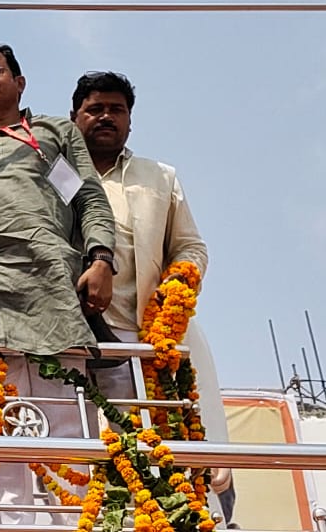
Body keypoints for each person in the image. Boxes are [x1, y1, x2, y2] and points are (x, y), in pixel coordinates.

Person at [0, 40, 115, 524]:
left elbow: (87, 199)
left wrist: (101, 260)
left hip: (53, 293)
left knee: (69, 444)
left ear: (19, 82)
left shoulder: (51, 133)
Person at [70, 71, 234, 519]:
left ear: (130, 120)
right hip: (69, 336)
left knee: (148, 455)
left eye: (116, 110)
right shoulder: (55, 174)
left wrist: (178, 286)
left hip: (141, 336)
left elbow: (191, 246)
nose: (106, 117)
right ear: (74, 117)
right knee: (76, 453)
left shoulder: (159, 177)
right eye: (95, 109)